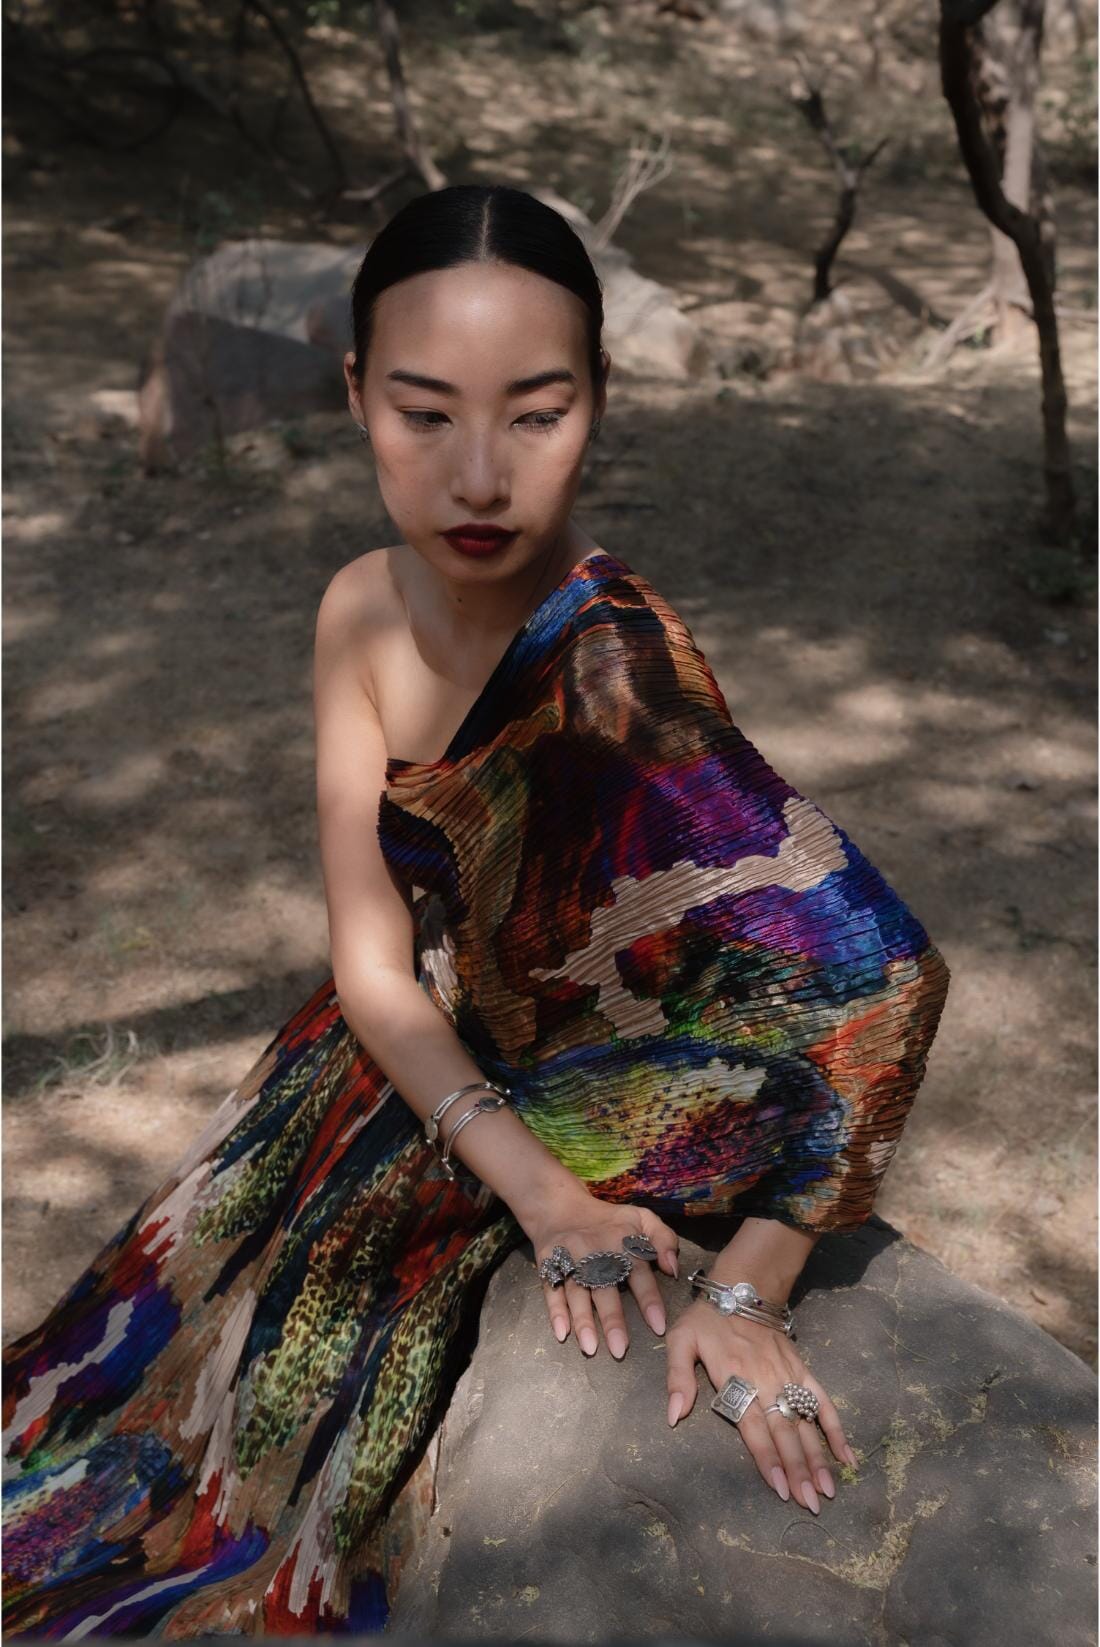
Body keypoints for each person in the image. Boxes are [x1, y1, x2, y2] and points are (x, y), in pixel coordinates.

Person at [1, 183, 951, 1636]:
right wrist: (537, 1192)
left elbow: (887, 980)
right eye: (423, 414)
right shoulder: (357, 605)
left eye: (537, 414)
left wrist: (751, 1289)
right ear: (354, 394)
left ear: (601, 401)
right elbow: (371, 960)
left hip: (606, 1091)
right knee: (87, 1441)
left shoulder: (614, 665)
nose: (479, 476)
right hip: (392, 1074)